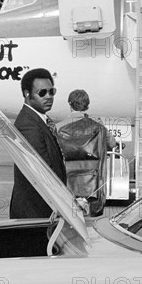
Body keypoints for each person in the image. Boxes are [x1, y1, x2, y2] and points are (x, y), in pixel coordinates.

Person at [9, 68, 66, 218]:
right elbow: (44, 171)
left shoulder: (37, 119)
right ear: (27, 94)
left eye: (51, 91)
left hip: (41, 208)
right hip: (35, 211)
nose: (48, 97)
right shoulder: (28, 124)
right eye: (42, 93)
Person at [58, 89, 117, 217]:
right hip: (93, 186)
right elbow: (112, 144)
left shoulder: (59, 127)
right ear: (87, 106)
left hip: (68, 185)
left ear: (70, 104)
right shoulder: (99, 127)